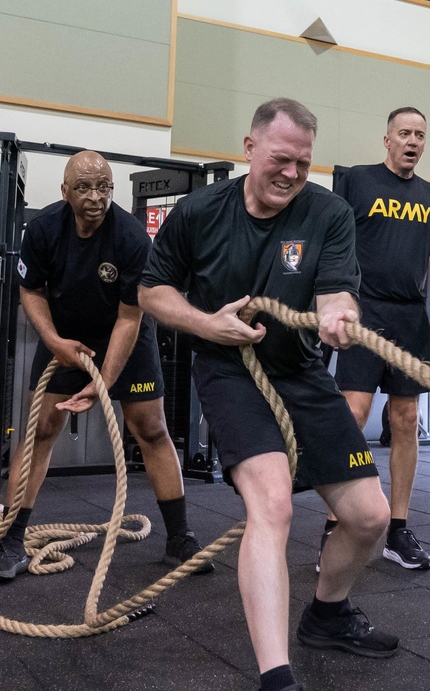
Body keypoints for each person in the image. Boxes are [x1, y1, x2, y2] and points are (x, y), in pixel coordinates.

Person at [139, 99, 397, 691]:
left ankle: (327, 614)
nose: (292, 174)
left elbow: (336, 291)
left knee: (368, 516)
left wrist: (338, 313)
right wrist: (207, 324)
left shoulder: (328, 212)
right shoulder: (201, 210)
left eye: (303, 164)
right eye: (282, 159)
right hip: (229, 372)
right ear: (249, 148)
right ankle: (276, 678)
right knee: (273, 506)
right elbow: (154, 291)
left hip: (300, 370)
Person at [0, 152, 209, 582]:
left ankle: (179, 538)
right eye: (84, 188)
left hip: (125, 337)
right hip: (65, 338)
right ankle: (11, 538)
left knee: (151, 429)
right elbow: (31, 291)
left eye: (104, 187)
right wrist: (54, 342)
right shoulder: (42, 231)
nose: (96, 197)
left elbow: (129, 317)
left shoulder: (132, 238)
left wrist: (105, 382)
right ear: (64, 191)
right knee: (39, 431)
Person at [319, 106, 430, 572]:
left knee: (405, 418)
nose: (412, 141)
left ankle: (398, 529)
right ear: (387, 139)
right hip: (362, 310)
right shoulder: (358, 181)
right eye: (404, 133)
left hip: (408, 317)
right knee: (353, 413)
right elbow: (332, 237)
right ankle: (335, 523)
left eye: (420, 134)